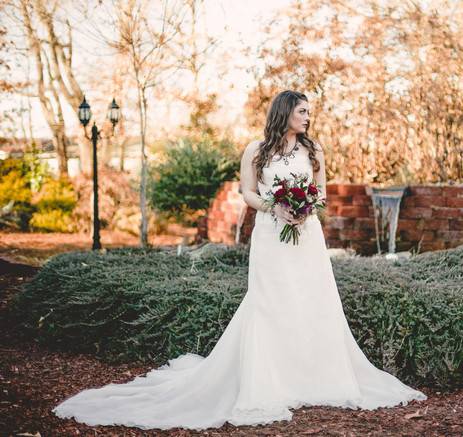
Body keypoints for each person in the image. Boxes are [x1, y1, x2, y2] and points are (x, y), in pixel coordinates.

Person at [53, 90, 426, 430]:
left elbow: (323, 193)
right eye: (302, 111)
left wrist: (304, 207)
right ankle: (268, 380)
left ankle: (314, 375)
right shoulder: (256, 149)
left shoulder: (314, 150)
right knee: (270, 302)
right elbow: (248, 193)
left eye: (309, 112)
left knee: (312, 300)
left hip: (307, 234)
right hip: (269, 234)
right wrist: (277, 207)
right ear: (285, 113)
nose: (308, 117)